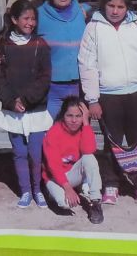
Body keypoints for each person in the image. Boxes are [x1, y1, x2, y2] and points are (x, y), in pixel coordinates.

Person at [78, 0, 137, 207]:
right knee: (111, 142)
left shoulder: (136, 27)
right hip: (109, 95)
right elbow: (87, 65)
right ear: (103, 5)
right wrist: (93, 99)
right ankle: (111, 184)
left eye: (120, 7)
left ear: (127, 8)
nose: (115, 11)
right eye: (111, 6)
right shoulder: (93, 29)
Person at [0, 0, 52, 208]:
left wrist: (26, 99)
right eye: (26, 18)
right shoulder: (3, 46)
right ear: (14, 20)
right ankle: (25, 191)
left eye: (33, 19)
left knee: (36, 153)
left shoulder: (41, 46)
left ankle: (38, 190)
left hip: (35, 109)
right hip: (13, 112)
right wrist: (11, 101)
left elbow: (45, 78)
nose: (30, 23)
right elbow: (0, 80)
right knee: (19, 152)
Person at [32, 0, 91, 120]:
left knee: (78, 133)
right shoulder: (37, 15)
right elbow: (13, 33)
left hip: (81, 86)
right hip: (52, 88)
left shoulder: (83, 11)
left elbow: (113, 11)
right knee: (52, 134)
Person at [42, 96, 104, 224]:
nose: (74, 120)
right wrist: (68, 189)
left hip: (72, 174)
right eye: (69, 115)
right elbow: (53, 166)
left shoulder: (83, 128)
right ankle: (51, 193)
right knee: (66, 204)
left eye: (78, 116)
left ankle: (96, 202)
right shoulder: (53, 132)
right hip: (54, 177)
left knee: (89, 158)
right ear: (63, 116)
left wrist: (86, 123)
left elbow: (88, 150)